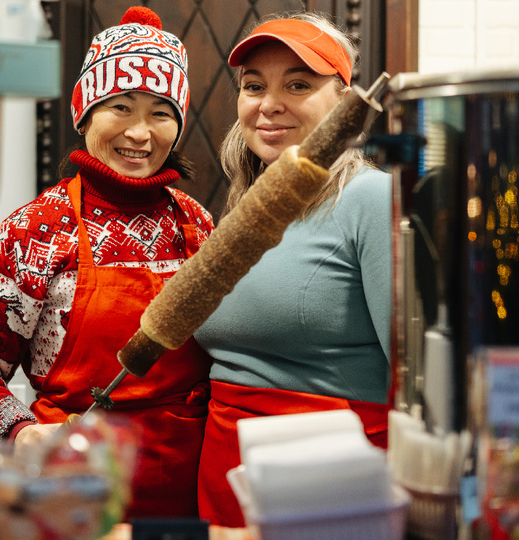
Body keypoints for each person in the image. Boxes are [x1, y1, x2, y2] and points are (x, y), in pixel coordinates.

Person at [0, 6, 215, 519]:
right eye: (121, 107)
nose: (140, 133)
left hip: (189, 493)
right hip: (75, 491)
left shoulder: (196, 223)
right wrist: (21, 432)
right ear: (85, 113)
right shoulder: (34, 230)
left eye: (161, 113)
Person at [193, 13, 394, 527]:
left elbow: (414, 375)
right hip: (225, 489)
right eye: (253, 86)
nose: (269, 103)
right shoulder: (241, 209)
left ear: (345, 102)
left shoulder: (369, 199)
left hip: (324, 491)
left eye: (298, 85)